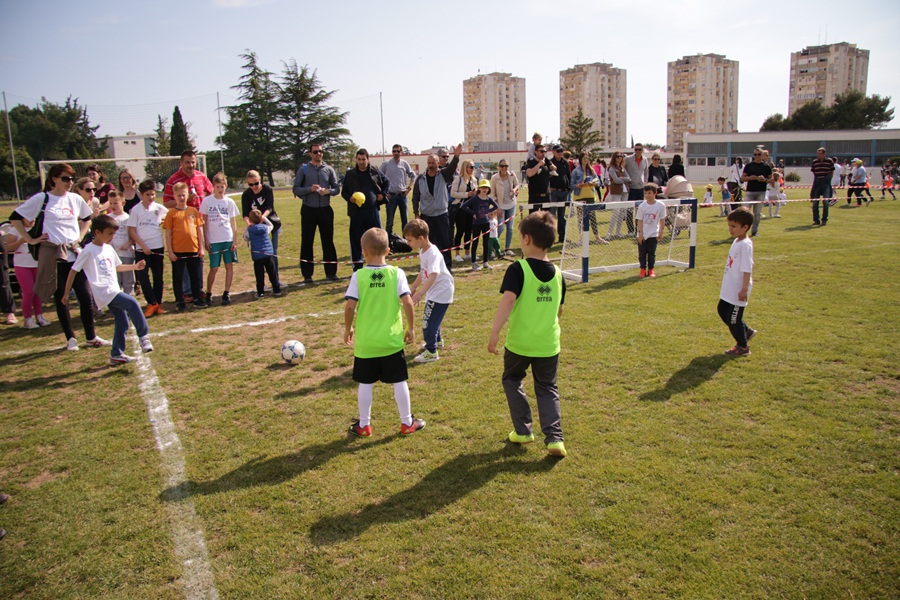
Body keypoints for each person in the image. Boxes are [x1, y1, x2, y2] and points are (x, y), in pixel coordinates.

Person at [488, 211, 567, 458]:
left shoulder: (518, 268)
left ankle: (523, 431)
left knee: (512, 379)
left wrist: (494, 333)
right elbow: (559, 309)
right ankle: (554, 438)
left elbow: (508, 300)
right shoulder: (558, 273)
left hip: (520, 343)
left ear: (526, 239)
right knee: (547, 387)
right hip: (548, 344)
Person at [8, 163, 109, 351]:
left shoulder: (74, 199)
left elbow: (87, 219)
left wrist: (79, 237)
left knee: (85, 297)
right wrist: (30, 239)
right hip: (54, 256)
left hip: (75, 255)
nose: (69, 182)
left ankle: (91, 336)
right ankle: (70, 338)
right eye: (65, 178)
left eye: (71, 179)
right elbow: (15, 217)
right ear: (54, 179)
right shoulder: (42, 198)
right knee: (61, 297)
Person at [344, 227, 424, 437]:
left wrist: (347, 328)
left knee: (365, 383)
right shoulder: (396, 273)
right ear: (389, 250)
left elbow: (350, 306)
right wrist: (411, 328)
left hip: (367, 342)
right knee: (399, 381)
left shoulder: (358, 276)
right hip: (391, 341)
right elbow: (407, 302)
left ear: (364, 252)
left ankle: (364, 425)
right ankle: (407, 423)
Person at [62, 215, 153, 365]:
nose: (113, 237)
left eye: (114, 233)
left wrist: (134, 267)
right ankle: (143, 336)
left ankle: (116, 354)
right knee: (132, 303)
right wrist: (66, 293)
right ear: (97, 232)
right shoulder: (88, 251)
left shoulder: (109, 248)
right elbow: (73, 271)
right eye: (109, 233)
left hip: (113, 289)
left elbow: (117, 267)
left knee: (122, 321)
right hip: (105, 292)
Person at [403, 218, 454, 364]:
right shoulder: (423, 251)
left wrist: (420, 294)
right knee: (433, 318)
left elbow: (433, 275)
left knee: (427, 321)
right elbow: (423, 271)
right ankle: (437, 341)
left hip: (441, 291)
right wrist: (413, 286)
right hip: (435, 291)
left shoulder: (433, 253)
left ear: (421, 238)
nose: (408, 243)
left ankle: (431, 352)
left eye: (409, 240)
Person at [163, 150, 213, 301]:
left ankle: (198, 289)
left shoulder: (201, 177)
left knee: (198, 256)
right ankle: (186, 292)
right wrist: (183, 200)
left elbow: (211, 194)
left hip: (198, 223)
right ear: (181, 163)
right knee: (183, 259)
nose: (190, 165)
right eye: (187, 162)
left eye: (193, 162)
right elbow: (166, 202)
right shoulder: (174, 180)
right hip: (181, 224)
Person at [293, 143, 340, 283]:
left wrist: (328, 191)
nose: (318, 154)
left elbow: (337, 188)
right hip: (308, 209)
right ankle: (307, 274)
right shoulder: (304, 170)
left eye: (320, 152)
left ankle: (331, 273)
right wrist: (310, 189)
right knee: (307, 241)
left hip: (325, 209)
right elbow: (296, 189)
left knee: (328, 241)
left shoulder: (329, 169)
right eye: (315, 152)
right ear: (310, 154)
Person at [411, 144, 462, 271]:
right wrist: (416, 214)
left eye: (433, 162)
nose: (431, 165)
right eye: (429, 163)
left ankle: (446, 268)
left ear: (438, 163)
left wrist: (456, 156)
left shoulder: (443, 175)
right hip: (426, 217)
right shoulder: (420, 179)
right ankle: (428, 268)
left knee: (445, 242)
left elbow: (451, 168)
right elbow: (415, 197)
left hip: (441, 215)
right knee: (428, 244)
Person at [341, 149, 389, 272]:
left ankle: (378, 264)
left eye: (364, 159)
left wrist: (382, 194)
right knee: (356, 240)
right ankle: (357, 268)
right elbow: (344, 191)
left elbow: (387, 182)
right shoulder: (350, 174)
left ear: (368, 159)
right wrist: (350, 198)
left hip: (372, 211)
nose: (361, 162)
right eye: (359, 159)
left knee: (377, 238)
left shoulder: (374, 171)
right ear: (356, 160)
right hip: (356, 212)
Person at [717, 208, 756, 356]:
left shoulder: (745, 245)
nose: (730, 229)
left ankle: (743, 347)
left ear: (745, 227)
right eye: (729, 225)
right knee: (722, 310)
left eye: (734, 226)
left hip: (739, 288)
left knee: (734, 319)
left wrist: (744, 289)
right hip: (729, 287)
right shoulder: (736, 241)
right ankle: (745, 331)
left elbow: (747, 269)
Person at [163, 182, 205, 312]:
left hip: (193, 248)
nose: (181, 197)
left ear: (188, 195)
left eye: (184, 195)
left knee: (195, 275)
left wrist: (201, 247)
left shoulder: (193, 211)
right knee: (178, 277)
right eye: (179, 195)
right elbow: (168, 233)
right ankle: (180, 301)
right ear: (174, 197)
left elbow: (199, 230)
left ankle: (197, 298)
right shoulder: (171, 214)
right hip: (178, 250)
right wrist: (170, 251)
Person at [128, 179, 168, 316]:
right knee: (143, 276)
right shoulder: (135, 210)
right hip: (142, 249)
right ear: (141, 194)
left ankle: (158, 303)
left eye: (152, 194)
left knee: (158, 277)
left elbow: (169, 219)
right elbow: (132, 231)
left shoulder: (159, 208)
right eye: (147, 195)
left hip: (158, 247)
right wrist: (143, 246)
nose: (151, 197)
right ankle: (151, 303)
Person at [200, 173, 239, 306]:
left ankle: (226, 292)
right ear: (213, 187)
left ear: (226, 186)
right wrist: (206, 240)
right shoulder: (207, 201)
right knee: (214, 268)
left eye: (222, 187)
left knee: (229, 266)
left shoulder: (229, 202)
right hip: (214, 240)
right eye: (217, 187)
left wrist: (234, 240)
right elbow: (204, 222)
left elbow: (233, 222)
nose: (220, 189)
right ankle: (209, 292)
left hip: (227, 237)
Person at [4, 226, 50, 329]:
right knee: (28, 292)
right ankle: (27, 318)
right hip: (22, 265)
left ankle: (39, 316)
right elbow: (8, 247)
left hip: (37, 263)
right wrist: (20, 241)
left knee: (38, 291)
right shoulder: (16, 229)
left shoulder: (40, 227)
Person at [242, 170, 282, 285]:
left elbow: (270, 206)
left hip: (270, 224)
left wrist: (262, 218)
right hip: (255, 228)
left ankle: (276, 280)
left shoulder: (267, 189)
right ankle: (261, 283)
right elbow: (245, 213)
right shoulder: (246, 194)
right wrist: (248, 223)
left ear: (260, 180)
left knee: (272, 252)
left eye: (256, 183)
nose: (254, 186)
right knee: (259, 256)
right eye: (251, 184)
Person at [461, 179, 500, 271]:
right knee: (475, 243)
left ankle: (485, 262)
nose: (484, 189)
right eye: (483, 187)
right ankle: (474, 262)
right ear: (479, 188)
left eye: (486, 188)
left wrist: (488, 211)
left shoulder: (488, 199)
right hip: (476, 224)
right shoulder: (475, 198)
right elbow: (464, 206)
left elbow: (496, 206)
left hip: (486, 223)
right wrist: (472, 213)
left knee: (486, 243)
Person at [244, 209, 281, 299]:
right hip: (268, 254)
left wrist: (248, 226)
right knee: (272, 273)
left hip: (257, 256)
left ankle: (260, 292)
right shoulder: (265, 228)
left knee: (259, 275)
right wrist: (264, 218)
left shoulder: (250, 230)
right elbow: (271, 225)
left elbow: (245, 238)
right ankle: (277, 289)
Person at [380, 144, 416, 236]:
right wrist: (384, 192)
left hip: (402, 196)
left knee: (405, 221)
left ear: (401, 152)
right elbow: (378, 177)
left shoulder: (404, 164)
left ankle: (406, 241)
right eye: (394, 151)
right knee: (390, 221)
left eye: (398, 151)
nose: (396, 153)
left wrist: (409, 188)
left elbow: (413, 176)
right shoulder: (386, 164)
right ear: (392, 152)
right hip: (391, 196)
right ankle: (389, 240)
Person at [107, 191, 136, 296]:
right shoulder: (108, 218)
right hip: (112, 254)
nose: (113, 206)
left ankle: (130, 298)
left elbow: (134, 236)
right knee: (115, 280)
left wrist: (128, 243)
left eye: (115, 203)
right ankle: (118, 300)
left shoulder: (128, 218)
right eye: (110, 203)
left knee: (128, 279)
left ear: (123, 203)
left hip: (127, 253)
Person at [636, 183, 667, 278]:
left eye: (649, 193)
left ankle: (651, 269)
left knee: (651, 253)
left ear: (655, 193)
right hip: (643, 234)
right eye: (645, 193)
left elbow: (662, 219)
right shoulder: (642, 206)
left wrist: (661, 231)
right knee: (642, 253)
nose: (647, 195)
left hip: (654, 233)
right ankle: (642, 269)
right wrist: (640, 234)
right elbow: (639, 221)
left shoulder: (660, 205)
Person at [450, 159, 478, 262]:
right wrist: (467, 194)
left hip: (470, 209)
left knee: (468, 231)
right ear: (465, 167)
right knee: (460, 230)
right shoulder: (458, 179)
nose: (472, 169)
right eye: (470, 167)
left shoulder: (474, 180)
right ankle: (457, 253)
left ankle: (467, 252)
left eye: (473, 167)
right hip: (460, 208)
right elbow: (453, 193)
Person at [571, 152, 603, 242]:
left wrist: (593, 183)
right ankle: (581, 239)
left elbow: (598, 182)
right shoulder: (576, 171)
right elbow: (571, 185)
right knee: (581, 218)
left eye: (587, 158)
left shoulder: (592, 170)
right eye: (584, 158)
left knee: (593, 217)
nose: (585, 160)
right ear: (580, 159)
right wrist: (579, 185)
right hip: (580, 197)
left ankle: (597, 237)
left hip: (591, 196)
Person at [490, 159, 519, 256]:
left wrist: (514, 190)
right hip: (500, 205)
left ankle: (507, 248)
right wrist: (497, 207)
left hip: (511, 204)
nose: (504, 168)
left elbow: (517, 184)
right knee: (501, 227)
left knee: (510, 228)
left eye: (506, 166)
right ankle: (493, 248)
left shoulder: (512, 175)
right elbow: (492, 194)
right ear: (499, 167)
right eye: (502, 166)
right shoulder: (494, 178)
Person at [740, 149, 772, 237]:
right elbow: (742, 178)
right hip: (750, 191)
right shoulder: (749, 166)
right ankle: (743, 231)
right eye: (755, 154)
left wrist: (764, 179)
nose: (757, 156)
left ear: (762, 155)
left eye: (759, 154)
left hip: (761, 192)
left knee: (757, 213)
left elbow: (771, 180)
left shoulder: (766, 167)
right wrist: (750, 178)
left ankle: (754, 231)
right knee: (745, 211)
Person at [623, 144, 649, 236]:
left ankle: (639, 228)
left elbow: (646, 172)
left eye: (639, 149)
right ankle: (630, 230)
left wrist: (645, 182)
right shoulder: (628, 159)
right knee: (630, 210)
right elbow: (622, 169)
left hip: (640, 188)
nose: (637, 151)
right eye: (636, 149)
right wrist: (626, 181)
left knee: (640, 210)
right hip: (631, 188)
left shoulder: (645, 160)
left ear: (642, 150)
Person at [548, 145, 571, 243]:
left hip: (564, 192)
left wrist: (568, 188)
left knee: (562, 216)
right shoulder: (550, 162)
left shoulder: (565, 163)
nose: (560, 153)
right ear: (553, 152)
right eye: (558, 151)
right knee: (552, 215)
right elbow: (547, 176)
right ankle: (551, 237)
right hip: (554, 192)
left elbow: (568, 175)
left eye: (561, 151)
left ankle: (562, 237)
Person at [605, 151, 631, 240]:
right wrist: (624, 179)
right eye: (617, 156)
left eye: (621, 156)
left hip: (625, 191)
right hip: (616, 191)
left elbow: (629, 178)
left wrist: (622, 178)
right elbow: (616, 180)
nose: (619, 158)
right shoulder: (611, 168)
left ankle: (618, 232)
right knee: (616, 211)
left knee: (623, 212)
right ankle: (609, 233)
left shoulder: (622, 168)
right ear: (614, 158)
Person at [524, 144, 555, 213]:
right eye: (541, 151)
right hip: (535, 196)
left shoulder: (546, 161)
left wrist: (552, 168)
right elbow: (529, 173)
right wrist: (538, 164)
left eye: (545, 151)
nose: (543, 153)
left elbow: (554, 168)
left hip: (546, 196)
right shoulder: (531, 162)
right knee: (533, 220)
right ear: (536, 152)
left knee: (546, 220)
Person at [810, 147, 835, 226]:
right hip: (817, 183)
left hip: (826, 183)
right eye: (818, 154)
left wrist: (828, 180)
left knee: (825, 202)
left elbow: (832, 171)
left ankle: (824, 219)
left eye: (820, 154)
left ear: (824, 154)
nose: (818, 155)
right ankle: (816, 220)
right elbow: (814, 172)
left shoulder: (829, 161)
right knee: (815, 203)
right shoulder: (815, 162)